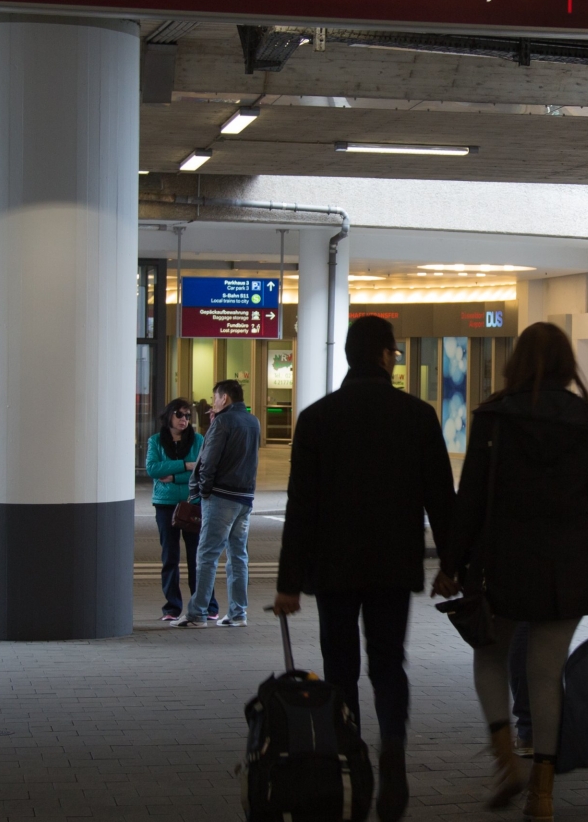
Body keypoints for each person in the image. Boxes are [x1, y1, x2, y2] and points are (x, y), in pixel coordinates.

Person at [435, 322, 588, 821]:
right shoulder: (586, 419)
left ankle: (507, 761)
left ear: (517, 361)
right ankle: (542, 796)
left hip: (503, 560)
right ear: (567, 363)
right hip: (570, 564)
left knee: (490, 655)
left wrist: (451, 564)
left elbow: (472, 499)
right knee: (546, 675)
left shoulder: (493, 416)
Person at [274, 316, 456, 822]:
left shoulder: (317, 418)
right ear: (384, 355)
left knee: (340, 667)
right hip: (393, 565)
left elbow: (300, 506)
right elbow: (441, 499)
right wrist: (452, 566)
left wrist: (289, 584)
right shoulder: (417, 416)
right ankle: (392, 747)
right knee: (388, 660)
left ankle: (350, 754)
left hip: (333, 566)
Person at [175, 379, 259, 629]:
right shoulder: (253, 421)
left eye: (215, 398)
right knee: (238, 555)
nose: (213, 403)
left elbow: (209, 460)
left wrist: (203, 490)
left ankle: (197, 614)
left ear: (224, 398)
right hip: (245, 498)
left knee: (207, 554)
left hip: (221, 497)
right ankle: (238, 613)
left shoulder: (223, 421)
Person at [145, 398, 219, 623]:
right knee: (170, 556)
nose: (184, 419)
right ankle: (172, 607)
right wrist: (186, 465)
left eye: (188, 416)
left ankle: (206, 605)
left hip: (193, 503)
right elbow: (152, 468)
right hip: (165, 505)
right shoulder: (156, 441)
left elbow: (203, 469)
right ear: (169, 415)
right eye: (180, 414)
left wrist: (176, 475)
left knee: (198, 556)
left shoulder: (197, 440)